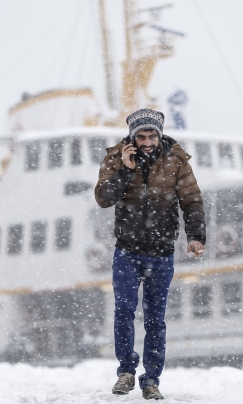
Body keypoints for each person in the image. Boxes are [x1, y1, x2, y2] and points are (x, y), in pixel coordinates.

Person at [95, 108, 206, 400]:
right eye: (141, 137)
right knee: (124, 312)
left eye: (151, 136)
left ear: (159, 135)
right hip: (127, 252)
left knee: (155, 320)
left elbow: (192, 200)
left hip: (162, 253)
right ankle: (126, 372)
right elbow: (103, 198)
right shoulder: (115, 158)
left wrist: (196, 236)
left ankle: (151, 380)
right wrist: (125, 169)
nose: (147, 142)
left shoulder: (177, 160)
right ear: (133, 137)